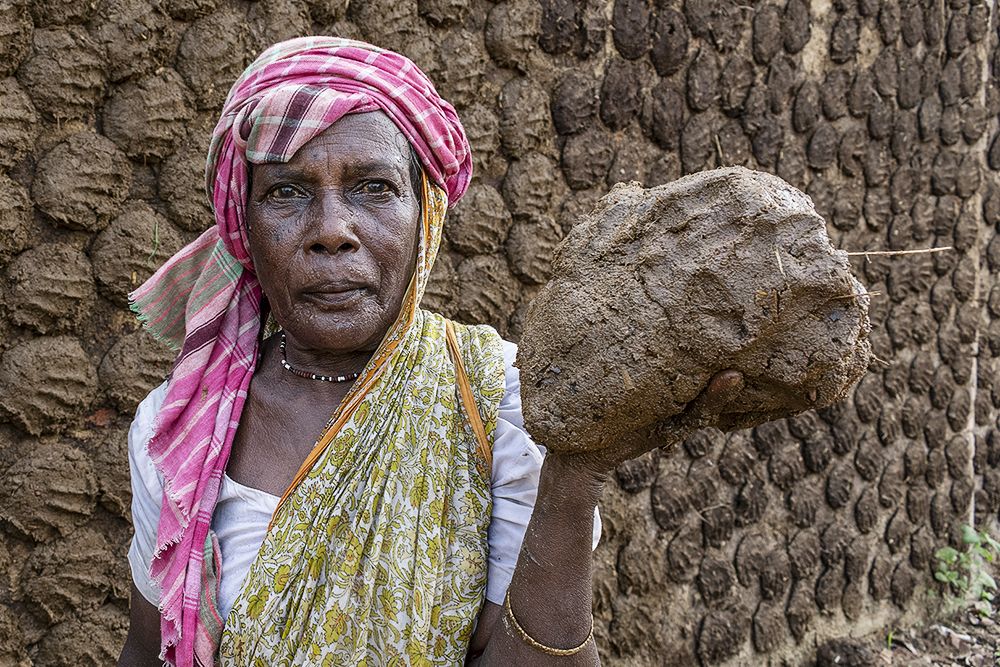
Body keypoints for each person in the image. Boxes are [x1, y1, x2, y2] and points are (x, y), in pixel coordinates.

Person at [119, 36, 742, 667]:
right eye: (286, 192)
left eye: (373, 188)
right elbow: (149, 651)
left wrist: (575, 476)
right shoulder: (181, 429)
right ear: (244, 225)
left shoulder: (501, 400)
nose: (333, 230)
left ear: (427, 215)